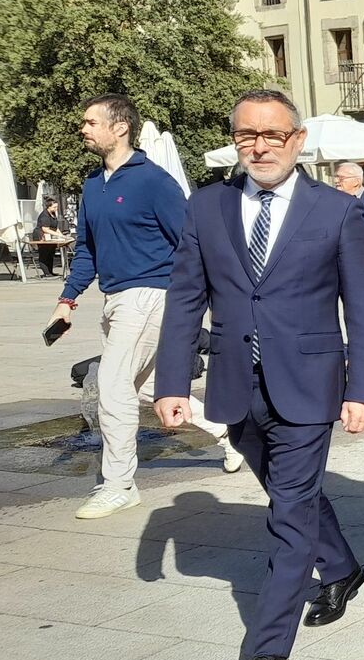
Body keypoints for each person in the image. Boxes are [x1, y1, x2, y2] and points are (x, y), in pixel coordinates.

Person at [153, 88, 364, 660]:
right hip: (234, 383)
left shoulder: (336, 212)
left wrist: (363, 389)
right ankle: (341, 567)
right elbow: (184, 301)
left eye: (271, 136)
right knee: (293, 496)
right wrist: (172, 383)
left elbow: (362, 309)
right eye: (247, 136)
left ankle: (269, 656)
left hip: (309, 384)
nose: (258, 147)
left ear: (298, 141)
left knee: (286, 514)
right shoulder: (206, 208)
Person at [46, 94, 239, 520]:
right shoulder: (93, 184)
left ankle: (118, 485)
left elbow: (192, 241)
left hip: (152, 294)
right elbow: (87, 249)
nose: (83, 128)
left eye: (90, 121)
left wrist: (205, 300)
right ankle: (227, 433)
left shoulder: (155, 181)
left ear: (120, 127)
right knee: (147, 387)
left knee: (110, 387)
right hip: (114, 299)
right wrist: (67, 299)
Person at [33, 198, 67, 277]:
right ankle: (46, 272)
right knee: (44, 253)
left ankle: (50, 271)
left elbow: (55, 227)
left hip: (49, 235)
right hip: (41, 235)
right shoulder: (45, 215)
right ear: (49, 207)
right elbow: (45, 229)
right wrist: (58, 235)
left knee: (51, 253)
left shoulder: (53, 214)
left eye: (56, 207)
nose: (56, 209)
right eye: (54, 207)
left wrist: (62, 235)